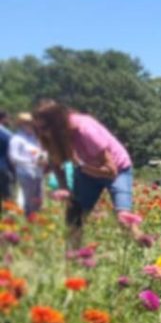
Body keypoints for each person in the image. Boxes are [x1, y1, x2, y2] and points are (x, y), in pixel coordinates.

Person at [32, 100, 135, 248]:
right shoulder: (51, 137)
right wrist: (64, 188)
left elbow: (111, 171)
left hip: (117, 170)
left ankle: (147, 248)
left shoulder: (85, 130)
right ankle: (73, 260)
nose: (42, 132)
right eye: (38, 128)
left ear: (58, 123)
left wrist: (81, 165)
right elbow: (56, 163)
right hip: (86, 172)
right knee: (74, 218)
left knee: (124, 219)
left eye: (45, 127)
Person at [8, 114, 45, 216]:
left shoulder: (34, 138)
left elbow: (40, 152)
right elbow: (13, 157)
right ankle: (28, 218)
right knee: (28, 199)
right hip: (26, 172)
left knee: (39, 198)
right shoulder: (17, 139)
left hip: (38, 172)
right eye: (29, 124)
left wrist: (43, 158)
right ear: (22, 125)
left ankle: (37, 219)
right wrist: (30, 161)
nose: (32, 126)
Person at [0, 112, 13, 205]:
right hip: (3, 165)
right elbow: (11, 153)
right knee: (6, 193)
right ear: (3, 119)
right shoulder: (7, 134)